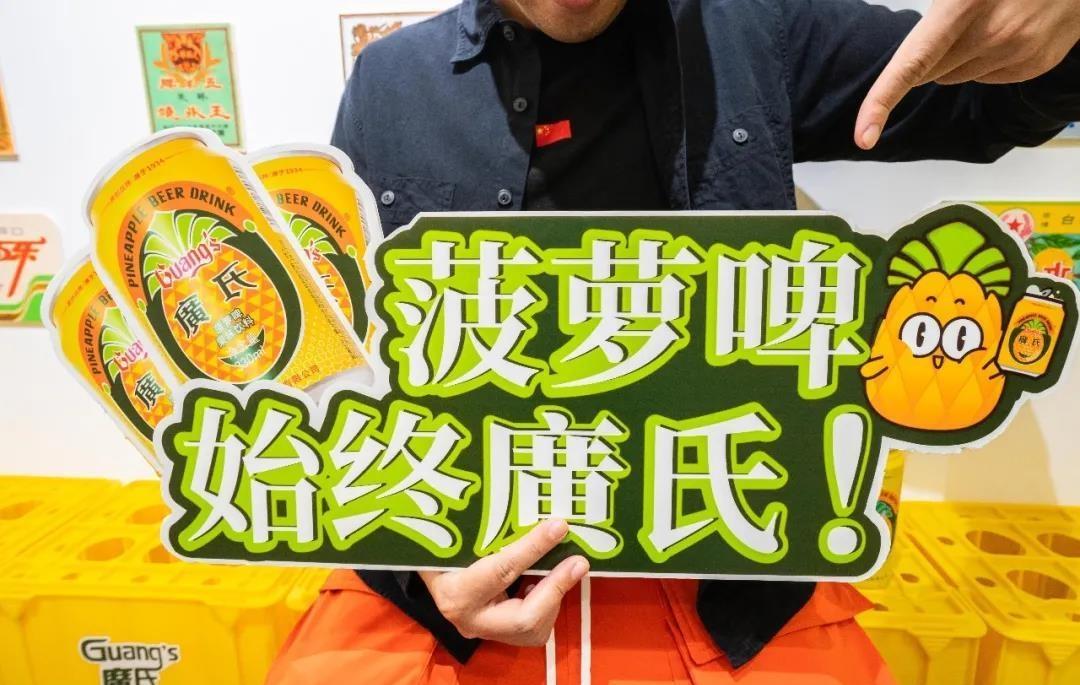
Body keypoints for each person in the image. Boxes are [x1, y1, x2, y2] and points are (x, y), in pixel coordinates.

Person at [269, 1, 1080, 683]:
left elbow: (1001, 96)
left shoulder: (757, 30)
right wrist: (414, 563)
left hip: (724, 562)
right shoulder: (389, 80)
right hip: (462, 563)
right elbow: (350, 360)